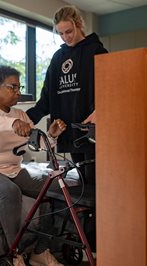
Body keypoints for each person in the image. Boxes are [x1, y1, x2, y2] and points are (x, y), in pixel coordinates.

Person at [0, 65, 66, 266]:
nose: (18, 92)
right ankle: (14, 254)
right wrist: (12, 124)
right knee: (9, 192)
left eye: (19, 87)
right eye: (13, 87)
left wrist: (52, 134)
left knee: (54, 188)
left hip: (13, 170)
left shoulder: (21, 115)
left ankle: (40, 250)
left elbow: (38, 144)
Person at [26, 5, 108, 185]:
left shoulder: (96, 51)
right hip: (69, 133)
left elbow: (111, 91)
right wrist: (24, 119)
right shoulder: (57, 58)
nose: (65, 37)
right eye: (61, 33)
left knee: (98, 186)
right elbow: (46, 99)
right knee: (83, 185)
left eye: (69, 31)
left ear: (79, 24)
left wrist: (101, 110)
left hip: (93, 133)